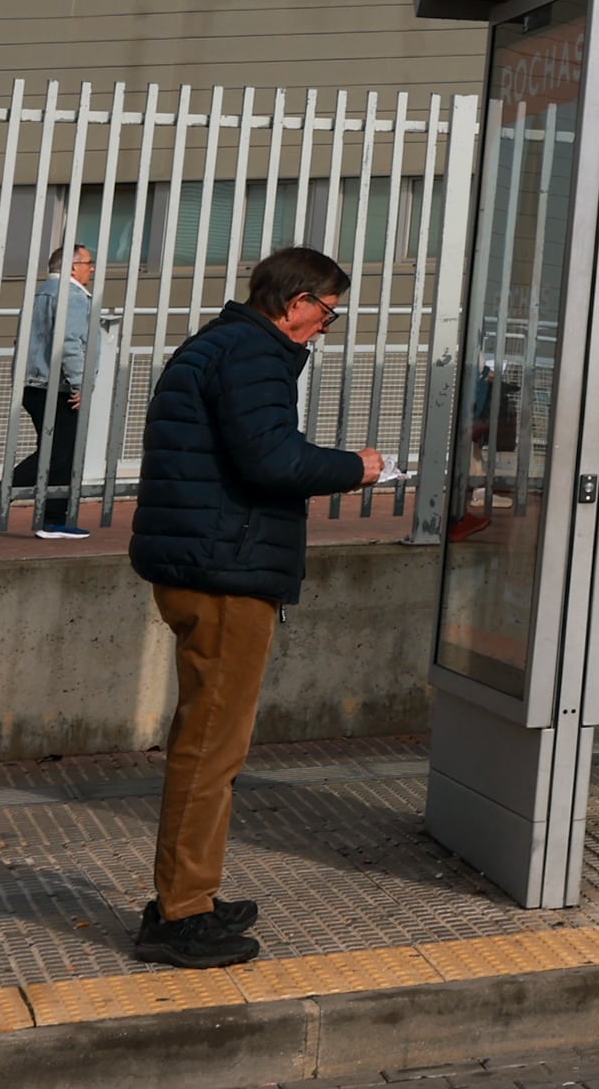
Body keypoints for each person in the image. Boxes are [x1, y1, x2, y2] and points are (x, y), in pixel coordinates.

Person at [124, 245, 388, 969]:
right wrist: (359, 468)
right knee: (211, 751)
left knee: (208, 744)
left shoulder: (219, 344)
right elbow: (273, 460)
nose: (325, 328)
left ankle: (192, 896)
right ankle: (178, 916)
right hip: (225, 572)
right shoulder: (253, 354)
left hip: (204, 562)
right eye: (327, 313)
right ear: (296, 301)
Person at [0, 242, 97, 541]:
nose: (91, 269)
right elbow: (69, 343)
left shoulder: (40, 293)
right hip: (57, 387)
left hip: (33, 384)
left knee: (62, 454)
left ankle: (53, 519)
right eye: (88, 263)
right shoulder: (73, 297)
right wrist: (81, 382)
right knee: (56, 454)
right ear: (71, 267)